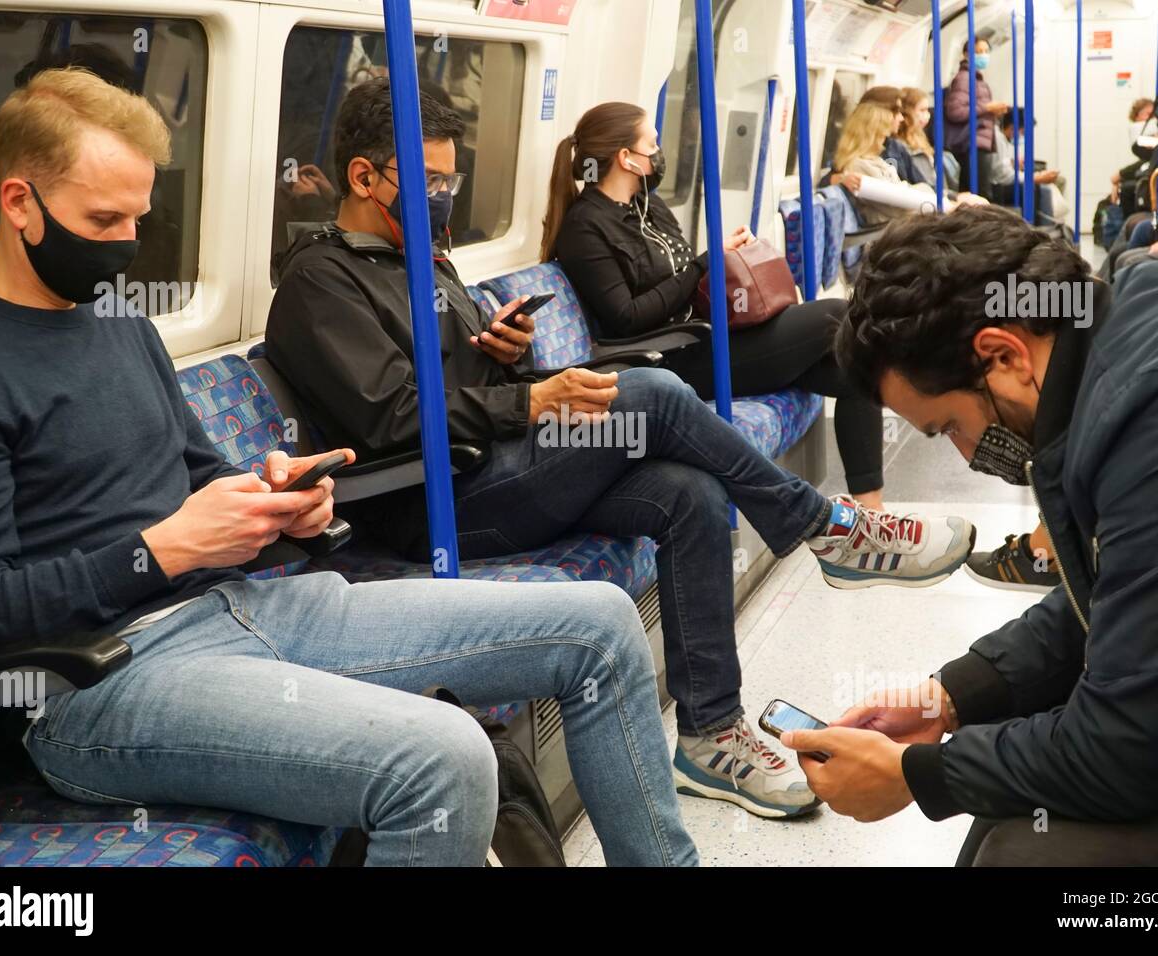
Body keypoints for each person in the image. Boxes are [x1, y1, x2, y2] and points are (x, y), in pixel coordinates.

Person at [0, 66, 702, 867]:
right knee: (442, 758)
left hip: (237, 607)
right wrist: (162, 550)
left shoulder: (119, 321)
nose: (128, 246)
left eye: (139, 218)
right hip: (99, 683)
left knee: (601, 626)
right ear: (19, 201)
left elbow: (199, 468)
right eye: (103, 220)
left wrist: (271, 496)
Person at [266, 79, 978, 820]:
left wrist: (509, 358)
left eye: (450, 179)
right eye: (432, 181)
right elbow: (391, 418)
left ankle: (709, 739)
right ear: (362, 177)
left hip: (493, 469)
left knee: (689, 494)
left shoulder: (430, 263)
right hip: (433, 505)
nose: (445, 196)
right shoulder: (321, 283)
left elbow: (464, 385)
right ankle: (825, 529)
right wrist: (532, 398)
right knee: (647, 389)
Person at [783, 205, 1158, 865]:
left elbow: (1120, 755)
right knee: (1009, 800)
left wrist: (915, 776)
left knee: (1025, 856)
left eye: (949, 429)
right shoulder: (1121, 339)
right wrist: (952, 697)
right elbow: (1118, 591)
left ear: (1004, 355)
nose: (969, 458)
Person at [543, 101, 889, 509]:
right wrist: (705, 262)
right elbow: (627, 318)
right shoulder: (585, 228)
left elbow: (686, 277)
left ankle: (872, 511)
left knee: (854, 374)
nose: (659, 154)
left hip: (706, 333)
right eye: (652, 145)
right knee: (834, 314)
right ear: (627, 159)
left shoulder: (648, 207)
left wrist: (725, 258)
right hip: (669, 360)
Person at [831, 102, 939, 225]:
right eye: (883, 134)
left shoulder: (874, 161)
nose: (885, 140)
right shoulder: (858, 166)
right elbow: (897, 208)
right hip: (889, 233)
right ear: (873, 135)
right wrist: (927, 194)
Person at [897, 87, 986, 208]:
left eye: (927, 110)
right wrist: (953, 197)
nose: (927, 116)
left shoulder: (920, 139)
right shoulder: (900, 147)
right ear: (906, 112)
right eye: (921, 110)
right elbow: (922, 183)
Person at [944, 38, 1011, 199]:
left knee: (980, 192)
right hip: (972, 142)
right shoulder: (964, 79)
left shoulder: (976, 79)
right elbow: (955, 111)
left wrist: (992, 112)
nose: (983, 55)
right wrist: (987, 108)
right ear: (966, 54)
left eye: (986, 51)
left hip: (980, 141)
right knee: (979, 193)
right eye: (979, 52)